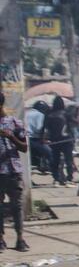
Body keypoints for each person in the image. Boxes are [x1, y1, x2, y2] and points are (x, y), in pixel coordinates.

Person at [0, 92, 30, 251]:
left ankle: (20, 239)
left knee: (16, 207)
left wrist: (10, 137)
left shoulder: (15, 123)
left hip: (12, 172)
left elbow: (24, 147)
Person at [43, 97, 74, 185]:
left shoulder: (49, 115)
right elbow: (74, 122)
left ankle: (56, 178)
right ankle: (69, 178)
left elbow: (46, 129)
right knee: (69, 160)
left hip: (55, 141)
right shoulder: (66, 114)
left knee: (55, 160)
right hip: (67, 140)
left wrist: (44, 139)